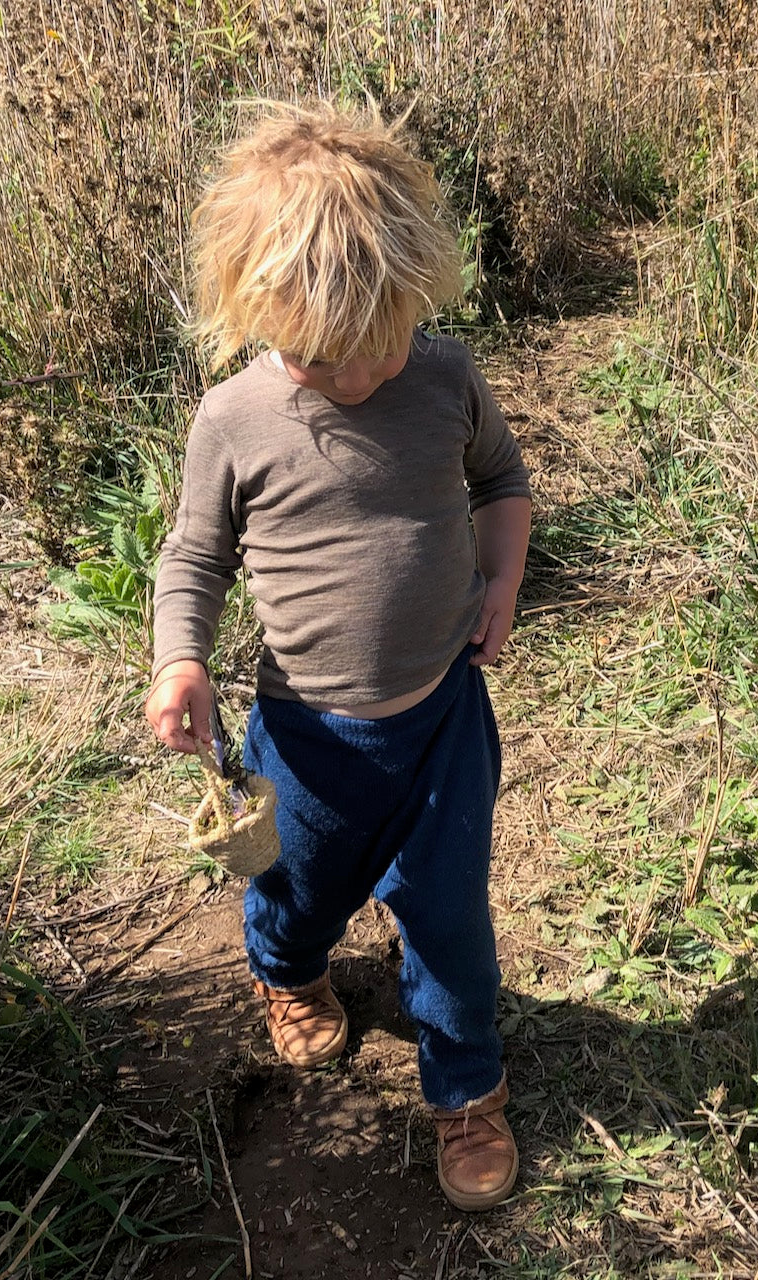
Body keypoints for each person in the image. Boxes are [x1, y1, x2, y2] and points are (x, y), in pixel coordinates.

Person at [144, 99, 532, 1212]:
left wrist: (499, 577)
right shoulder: (234, 418)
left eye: (377, 340)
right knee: (293, 883)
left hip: (441, 719)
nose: (354, 373)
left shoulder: (445, 377)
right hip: (304, 733)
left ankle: (465, 1084)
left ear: (416, 291)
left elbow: (499, 480)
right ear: (252, 310)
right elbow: (193, 558)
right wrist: (180, 661)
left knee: (449, 911)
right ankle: (292, 970)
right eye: (317, 353)